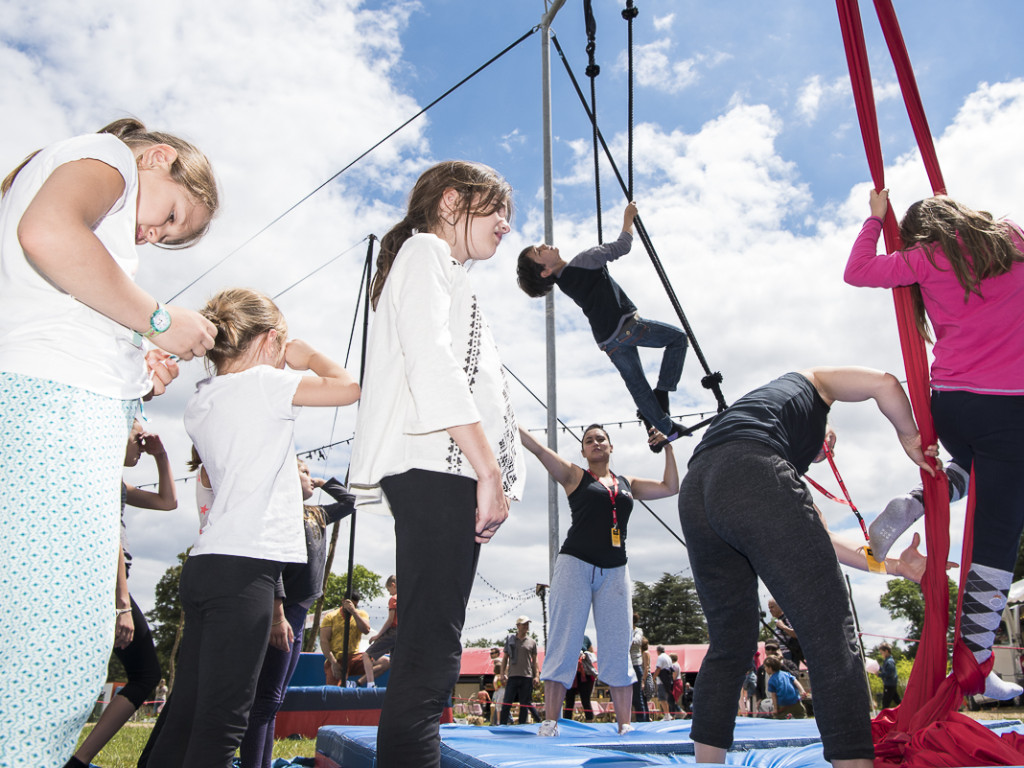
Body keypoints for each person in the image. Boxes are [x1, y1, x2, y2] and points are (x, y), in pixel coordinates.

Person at [0, 118, 218, 765]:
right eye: (172, 216)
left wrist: (135, 360)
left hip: (60, 410)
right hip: (50, 414)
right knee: (50, 649)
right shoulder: (107, 158)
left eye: (169, 236)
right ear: (159, 157)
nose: (155, 235)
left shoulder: (108, 206)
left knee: (51, 643)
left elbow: (61, 295)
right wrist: (157, 318)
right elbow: (47, 233)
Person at [348, 160, 524, 768]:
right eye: (497, 209)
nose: (506, 226)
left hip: (443, 471)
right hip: (439, 470)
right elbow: (433, 362)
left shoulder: (441, 268)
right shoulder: (425, 251)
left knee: (430, 654)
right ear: (452, 202)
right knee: (429, 661)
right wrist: (489, 471)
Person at [678, 367, 938, 768]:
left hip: (697, 488)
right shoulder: (814, 384)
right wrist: (911, 438)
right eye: (827, 444)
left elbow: (825, 543)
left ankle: (706, 763)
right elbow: (885, 383)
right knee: (830, 631)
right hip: (748, 468)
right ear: (824, 421)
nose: (824, 452)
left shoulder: (771, 437)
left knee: (731, 643)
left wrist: (897, 565)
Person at [146, 288, 360, 767]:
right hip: (247, 570)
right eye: (279, 345)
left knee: (185, 715)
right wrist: (306, 356)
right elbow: (349, 387)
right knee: (223, 726)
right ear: (268, 341)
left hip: (206, 566)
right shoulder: (266, 384)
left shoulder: (202, 399)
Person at [846, 190, 1024, 701]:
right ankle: (976, 664)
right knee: (996, 539)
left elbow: (857, 271)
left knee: (969, 469)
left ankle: (919, 501)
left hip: (950, 405)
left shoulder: (923, 259)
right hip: (1008, 407)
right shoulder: (1010, 240)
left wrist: (876, 221)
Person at [519, 423, 679, 736]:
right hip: (575, 565)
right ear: (582, 450)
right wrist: (510, 420)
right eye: (589, 440)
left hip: (616, 569)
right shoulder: (574, 475)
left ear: (610, 446)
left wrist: (669, 446)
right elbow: (538, 449)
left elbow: (670, 486)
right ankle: (550, 722)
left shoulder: (627, 482)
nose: (595, 443)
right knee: (564, 640)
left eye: (601, 439)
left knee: (619, 644)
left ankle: (624, 724)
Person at [516, 202, 689, 452]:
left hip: (608, 341)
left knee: (637, 386)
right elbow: (623, 245)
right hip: (626, 326)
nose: (544, 245)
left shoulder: (566, 282)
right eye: (538, 251)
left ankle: (665, 427)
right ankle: (662, 392)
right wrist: (628, 218)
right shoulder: (586, 260)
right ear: (544, 272)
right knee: (678, 340)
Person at [65, 422, 177, 768]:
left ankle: (76, 759)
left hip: (110, 588)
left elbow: (168, 501)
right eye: (138, 440)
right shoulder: (100, 478)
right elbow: (110, 537)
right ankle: (75, 759)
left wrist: (161, 455)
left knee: (143, 674)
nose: (142, 447)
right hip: (105, 589)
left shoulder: (118, 483)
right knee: (142, 673)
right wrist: (122, 605)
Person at [239, 461, 356, 768]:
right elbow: (273, 563)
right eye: (302, 471)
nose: (308, 474)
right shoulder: (278, 511)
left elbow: (350, 503)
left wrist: (324, 482)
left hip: (299, 614)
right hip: (283, 611)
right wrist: (278, 615)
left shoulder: (315, 514)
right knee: (265, 700)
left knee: (274, 701)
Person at [320, 594, 371, 686]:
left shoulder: (361, 614)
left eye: (355, 605)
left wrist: (354, 612)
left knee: (384, 662)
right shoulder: (330, 616)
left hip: (354, 657)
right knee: (334, 691)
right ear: (343, 601)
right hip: (338, 658)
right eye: (350, 604)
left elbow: (366, 630)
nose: (351, 607)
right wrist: (333, 662)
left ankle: (357, 683)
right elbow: (324, 641)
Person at [499, 616, 540, 725]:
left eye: (527, 624)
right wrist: (502, 673)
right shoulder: (511, 640)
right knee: (507, 702)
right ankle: (502, 724)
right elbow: (505, 658)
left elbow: (535, 660)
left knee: (524, 704)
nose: (526, 626)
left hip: (526, 676)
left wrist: (536, 676)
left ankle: (522, 725)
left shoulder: (532, 642)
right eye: (524, 624)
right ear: (518, 626)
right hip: (513, 676)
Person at [360, 574, 398, 688]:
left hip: (393, 631)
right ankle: (396, 685)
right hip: (403, 633)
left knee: (367, 655)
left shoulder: (394, 599)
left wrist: (378, 635)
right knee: (394, 661)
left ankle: (370, 684)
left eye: (389, 590)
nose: (389, 593)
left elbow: (390, 620)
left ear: (393, 585)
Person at [563, 638, 598, 721]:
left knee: (585, 700)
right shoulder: (567, 637)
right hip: (570, 674)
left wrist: (585, 655)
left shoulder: (585, 639)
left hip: (584, 674)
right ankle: (567, 723)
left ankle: (589, 721)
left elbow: (592, 655)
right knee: (569, 700)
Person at [768, 598, 805, 667]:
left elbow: (797, 634)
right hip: (782, 654)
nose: (770, 610)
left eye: (772, 607)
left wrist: (783, 627)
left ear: (779, 606)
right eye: (769, 608)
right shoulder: (779, 620)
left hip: (789, 654)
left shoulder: (787, 619)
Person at [630, 615, 650, 722]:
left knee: (638, 696)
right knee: (629, 697)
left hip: (636, 665)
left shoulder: (638, 631)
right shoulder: (624, 630)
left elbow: (637, 641)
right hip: (626, 665)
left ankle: (641, 721)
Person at [655, 645, 679, 719]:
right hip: (668, 680)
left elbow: (658, 668)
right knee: (666, 698)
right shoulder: (668, 657)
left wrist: (653, 678)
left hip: (662, 681)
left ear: (658, 651)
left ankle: (667, 715)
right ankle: (667, 714)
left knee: (662, 698)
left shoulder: (660, 657)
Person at [876, 642, 901, 709]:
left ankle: (883, 717)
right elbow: (885, 670)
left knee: (885, 703)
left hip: (889, 685)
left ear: (886, 651)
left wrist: (880, 675)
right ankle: (907, 712)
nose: (881, 654)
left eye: (882, 653)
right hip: (891, 684)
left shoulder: (889, 661)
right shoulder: (887, 661)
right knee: (897, 700)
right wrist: (878, 668)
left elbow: (890, 673)